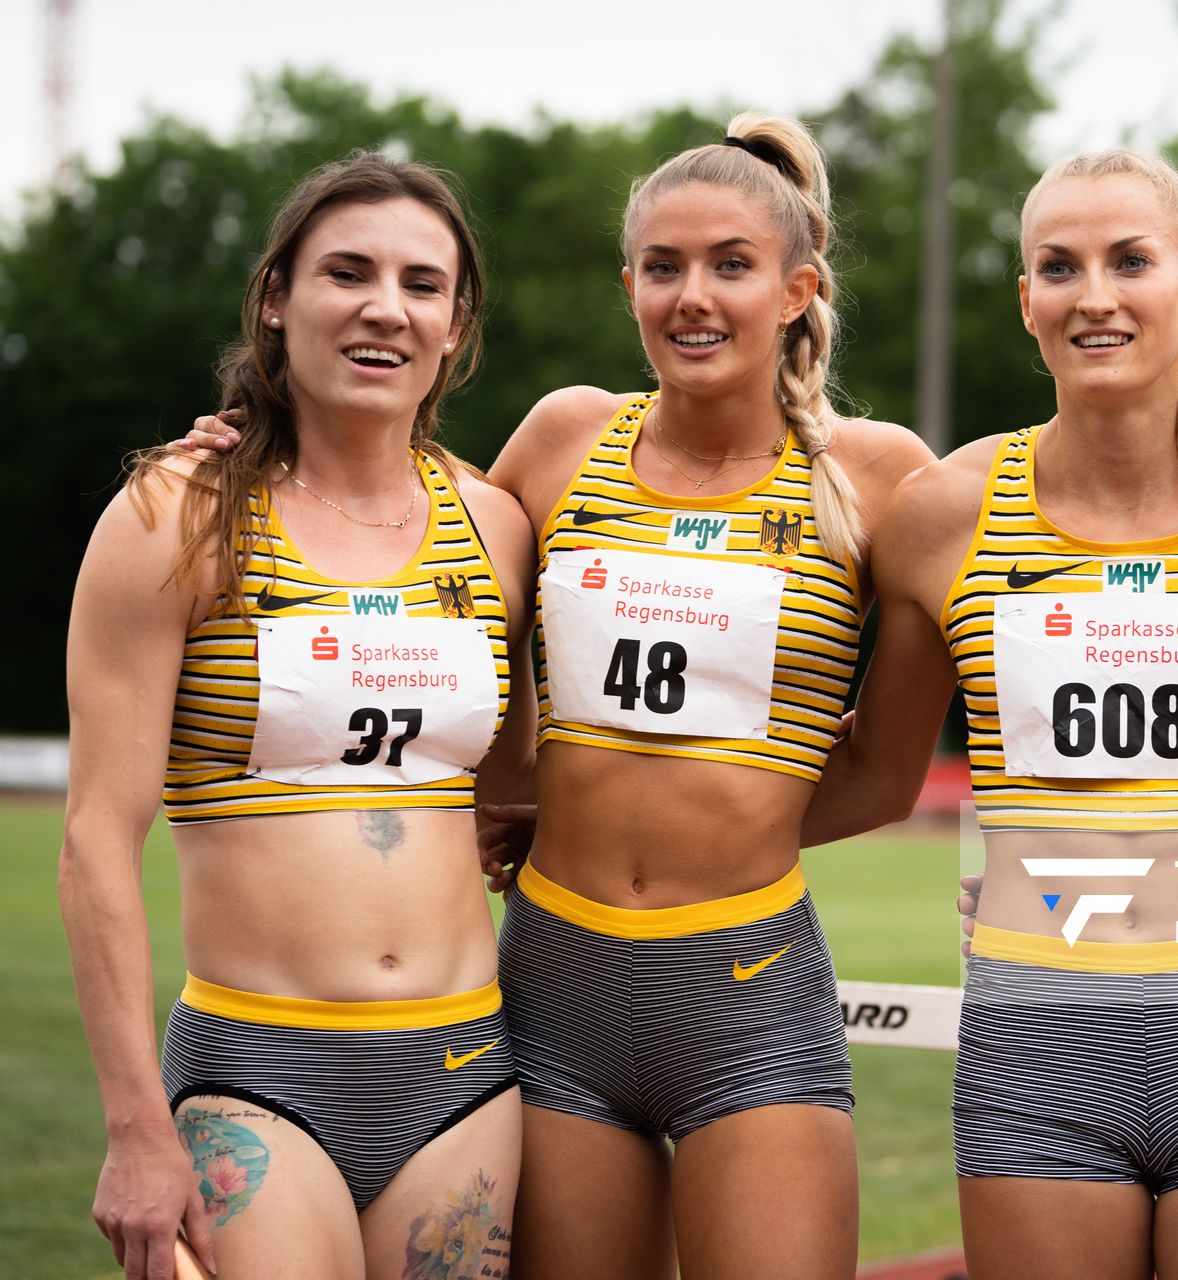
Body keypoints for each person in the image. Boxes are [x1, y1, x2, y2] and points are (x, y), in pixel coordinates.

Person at [184, 115, 930, 1280]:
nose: (695, 296)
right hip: (553, 982)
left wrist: (709, 818)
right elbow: (401, 551)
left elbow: (886, 773)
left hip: (747, 985)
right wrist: (246, 449)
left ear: (797, 290)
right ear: (627, 281)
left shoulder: (878, 475)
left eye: (732, 265)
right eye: (665, 266)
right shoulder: (563, 439)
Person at [801, 147, 1178, 1280]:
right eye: (1058, 265)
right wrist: (598, 821)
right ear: (1025, 299)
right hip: (1036, 1044)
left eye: (1130, 260)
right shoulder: (945, 516)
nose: (1095, 294)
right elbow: (876, 777)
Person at [62, 153, 534, 1280]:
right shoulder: (174, 515)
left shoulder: (499, 525)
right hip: (254, 1073)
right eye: (348, 272)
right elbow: (93, 842)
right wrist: (134, 1126)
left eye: (424, 283)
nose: (386, 306)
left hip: (464, 1073)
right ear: (277, 296)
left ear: (456, 322)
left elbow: (540, 765)